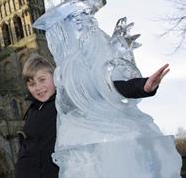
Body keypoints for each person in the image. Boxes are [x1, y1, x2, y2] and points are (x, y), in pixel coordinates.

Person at [14, 53, 170, 178]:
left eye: (42, 80)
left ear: (54, 78)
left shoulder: (66, 100)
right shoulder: (32, 111)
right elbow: (28, 147)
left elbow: (102, 91)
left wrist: (143, 86)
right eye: (31, 83)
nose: (38, 87)